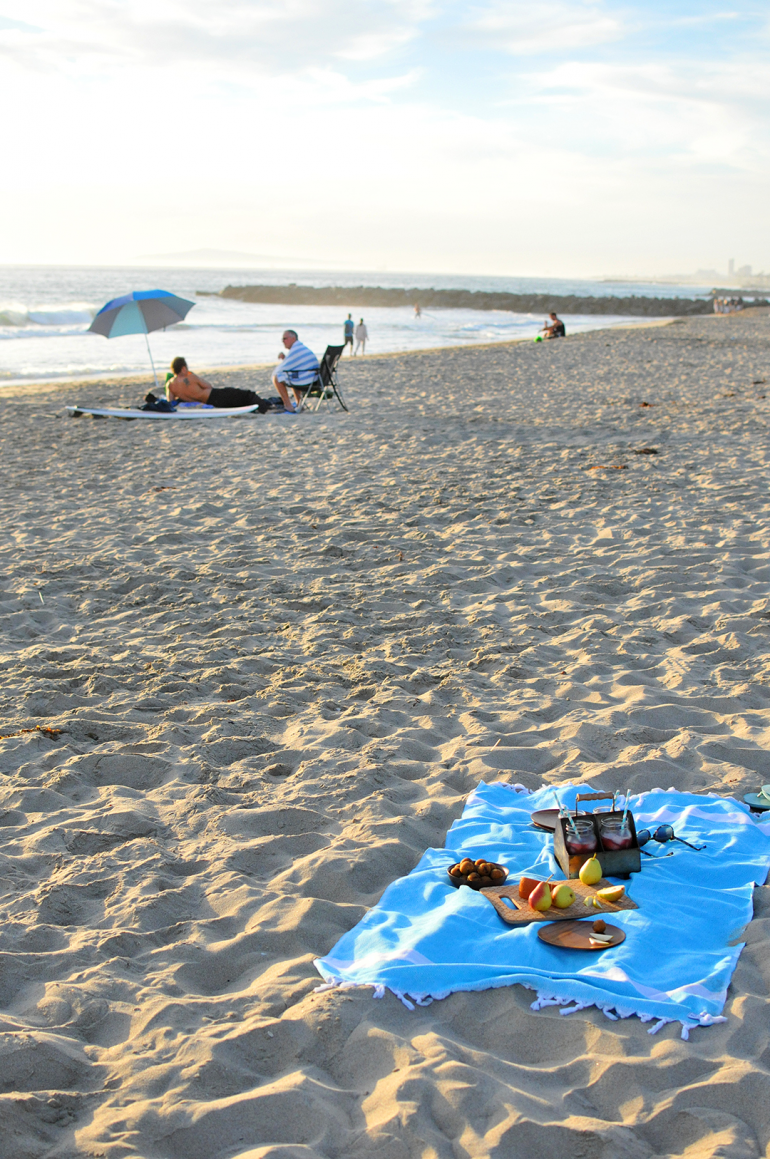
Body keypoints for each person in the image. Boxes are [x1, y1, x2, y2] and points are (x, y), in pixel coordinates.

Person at [165, 357, 268, 411]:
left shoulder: (170, 385)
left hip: (208, 402)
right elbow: (208, 386)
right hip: (213, 396)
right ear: (183, 368)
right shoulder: (190, 377)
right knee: (245, 395)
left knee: (238, 401)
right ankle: (266, 407)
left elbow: (171, 401)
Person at [272, 329, 320, 413]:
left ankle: (288, 406)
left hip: (309, 380)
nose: (283, 341)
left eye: (285, 338)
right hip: (314, 377)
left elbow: (281, 369)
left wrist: (284, 362)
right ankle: (299, 404)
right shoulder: (298, 347)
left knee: (277, 377)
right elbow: (293, 365)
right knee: (293, 374)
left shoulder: (296, 349)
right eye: (282, 339)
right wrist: (285, 359)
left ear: (293, 338)